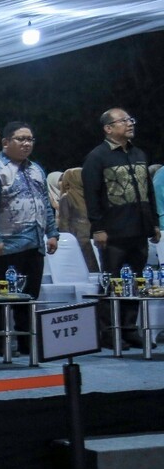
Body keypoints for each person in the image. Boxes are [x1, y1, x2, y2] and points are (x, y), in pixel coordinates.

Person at [82, 108, 160, 349]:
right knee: (112, 281)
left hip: (140, 228)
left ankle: (129, 329)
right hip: (113, 231)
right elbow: (92, 195)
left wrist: (155, 222)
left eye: (130, 120)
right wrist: (98, 228)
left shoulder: (138, 153)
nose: (130, 124)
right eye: (123, 121)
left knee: (136, 281)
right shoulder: (97, 157)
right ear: (108, 128)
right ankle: (108, 332)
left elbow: (148, 191)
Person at [0, 122, 59, 356]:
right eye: (21, 139)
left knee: (29, 297)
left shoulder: (36, 169)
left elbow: (45, 204)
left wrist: (52, 233)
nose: (26, 144)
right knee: (2, 297)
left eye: (30, 139)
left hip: (34, 244)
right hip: (6, 245)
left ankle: (26, 342)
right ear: (6, 142)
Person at [57, 168, 99, 273]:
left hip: (76, 237)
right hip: (92, 235)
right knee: (93, 268)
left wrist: (65, 242)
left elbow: (64, 222)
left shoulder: (66, 197)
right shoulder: (92, 195)